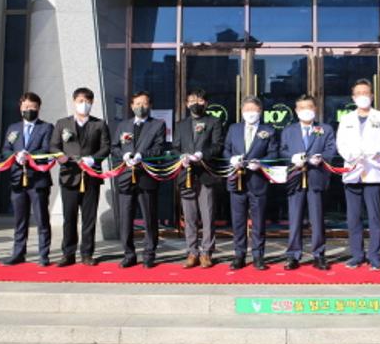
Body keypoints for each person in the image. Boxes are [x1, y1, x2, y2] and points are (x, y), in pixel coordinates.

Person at [336, 78, 380, 271]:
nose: (362, 96)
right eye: (358, 93)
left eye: (366, 93)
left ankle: (375, 257)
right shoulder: (346, 118)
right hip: (353, 171)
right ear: (353, 97)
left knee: (374, 217)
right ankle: (357, 255)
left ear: (372, 96)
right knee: (353, 217)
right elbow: (341, 143)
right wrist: (351, 155)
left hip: (373, 170)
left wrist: (376, 152)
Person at [50, 87, 111, 267]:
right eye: (80, 101)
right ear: (74, 102)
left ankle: (87, 253)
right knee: (69, 217)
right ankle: (68, 254)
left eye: (87, 101)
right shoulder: (62, 123)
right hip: (69, 176)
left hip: (91, 176)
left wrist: (93, 159)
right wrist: (60, 156)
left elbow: (106, 147)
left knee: (89, 218)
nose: (84, 104)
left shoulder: (99, 124)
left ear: (92, 103)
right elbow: (53, 145)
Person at [280, 94, 337, 271]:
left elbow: (331, 149)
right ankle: (293, 255)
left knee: (317, 219)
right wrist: (292, 158)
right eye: (302, 108)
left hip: (316, 177)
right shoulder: (288, 130)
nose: (306, 111)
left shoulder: (325, 129)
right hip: (295, 178)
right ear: (296, 111)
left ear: (315, 109)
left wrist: (321, 158)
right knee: (295, 219)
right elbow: (282, 151)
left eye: (309, 107)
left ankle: (319, 255)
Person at [111, 91, 166, 269]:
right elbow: (114, 147)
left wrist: (142, 155)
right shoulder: (123, 125)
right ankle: (129, 254)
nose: (140, 107)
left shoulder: (158, 124)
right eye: (137, 103)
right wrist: (124, 155)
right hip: (126, 176)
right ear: (131, 106)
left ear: (150, 106)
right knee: (126, 218)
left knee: (149, 217)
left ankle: (149, 254)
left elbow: (159, 148)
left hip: (146, 176)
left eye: (144, 103)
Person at [224, 96, 278, 270]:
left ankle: (258, 256)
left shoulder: (268, 130)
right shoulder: (234, 128)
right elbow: (226, 149)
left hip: (258, 180)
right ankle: (239, 255)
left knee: (258, 221)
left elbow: (274, 153)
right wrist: (231, 159)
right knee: (238, 221)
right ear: (242, 111)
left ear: (260, 111)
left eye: (253, 110)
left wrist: (261, 163)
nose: (250, 113)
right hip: (237, 180)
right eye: (247, 110)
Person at [172, 89, 224, 269]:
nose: (196, 103)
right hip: (186, 174)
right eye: (192, 100)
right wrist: (181, 157)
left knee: (208, 215)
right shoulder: (181, 125)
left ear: (206, 103)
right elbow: (175, 147)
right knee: (190, 216)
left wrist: (203, 154)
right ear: (187, 104)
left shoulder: (214, 122)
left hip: (206, 173)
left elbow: (218, 146)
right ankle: (192, 251)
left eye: (200, 100)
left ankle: (207, 252)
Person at [2, 92, 54, 267]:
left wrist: (29, 155)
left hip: (38, 179)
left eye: (33, 107)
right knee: (20, 219)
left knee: (41, 219)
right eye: (26, 107)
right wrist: (16, 155)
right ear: (20, 108)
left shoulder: (46, 127)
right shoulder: (13, 128)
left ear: (38, 108)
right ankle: (18, 253)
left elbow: (47, 149)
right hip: (17, 179)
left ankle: (44, 254)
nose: (29, 110)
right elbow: (6, 150)